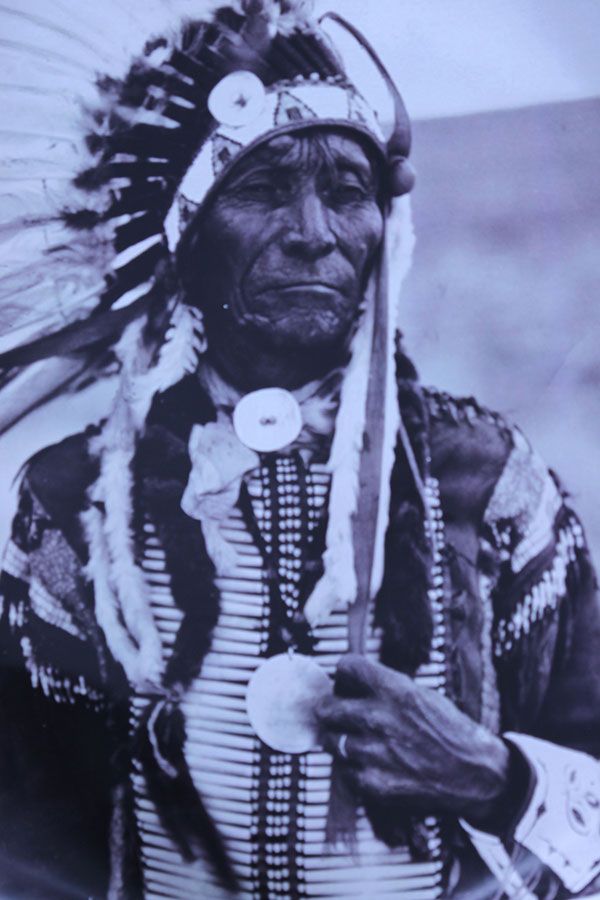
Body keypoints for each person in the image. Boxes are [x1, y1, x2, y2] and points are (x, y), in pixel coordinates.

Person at [0, 2, 599, 898]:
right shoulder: (80, 503)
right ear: (189, 235)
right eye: (265, 188)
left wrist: (495, 778)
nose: (314, 231)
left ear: (384, 230)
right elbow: (25, 845)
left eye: (348, 192)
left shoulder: (483, 479)